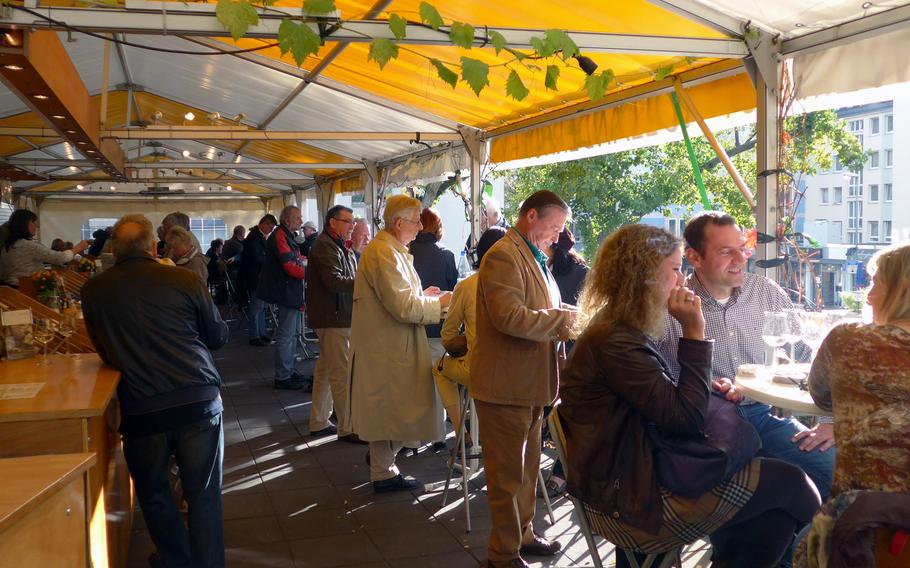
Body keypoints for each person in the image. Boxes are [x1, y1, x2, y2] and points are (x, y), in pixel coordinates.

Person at [560, 223, 820, 568]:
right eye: (674, 270)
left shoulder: (617, 331)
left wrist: (707, 386)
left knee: (774, 519)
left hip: (633, 471)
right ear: (644, 277)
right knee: (793, 484)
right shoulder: (616, 342)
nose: (681, 280)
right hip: (635, 497)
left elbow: (661, 402)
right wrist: (695, 333)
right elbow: (685, 420)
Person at [81, 214, 228, 568]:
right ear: (153, 246)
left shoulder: (94, 291)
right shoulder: (183, 279)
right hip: (198, 400)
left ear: (114, 249)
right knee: (203, 496)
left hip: (142, 408)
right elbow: (218, 337)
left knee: (155, 495)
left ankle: (176, 560)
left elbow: (103, 350)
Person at [657, 211, 835, 502]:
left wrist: (829, 420)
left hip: (760, 418)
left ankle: (800, 546)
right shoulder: (671, 302)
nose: (740, 260)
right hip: (704, 431)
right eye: (727, 252)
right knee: (751, 498)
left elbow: (811, 355)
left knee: (835, 470)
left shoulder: (764, 292)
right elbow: (654, 383)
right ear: (695, 257)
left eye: (742, 248)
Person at [470, 190, 577, 568]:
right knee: (506, 477)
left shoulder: (533, 256)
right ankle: (503, 554)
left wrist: (576, 313)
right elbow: (510, 317)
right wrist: (566, 321)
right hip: (505, 387)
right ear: (531, 216)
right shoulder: (503, 255)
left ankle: (524, 534)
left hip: (529, 386)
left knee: (528, 470)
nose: (557, 235)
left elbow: (541, 308)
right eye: (554, 227)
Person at [795, 241, 910, 567]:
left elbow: (821, 396)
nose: (867, 293)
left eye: (875, 282)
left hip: (862, 534)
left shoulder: (848, 339)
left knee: (801, 539)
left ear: (900, 289)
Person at [348, 195, 452, 492]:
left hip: (391, 344)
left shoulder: (390, 250)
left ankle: (384, 467)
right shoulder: (384, 253)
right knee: (390, 409)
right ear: (398, 223)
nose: (421, 227)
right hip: (388, 347)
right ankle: (383, 470)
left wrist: (427, 297)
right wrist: (441, 304)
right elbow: (403, 306)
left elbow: (401, 297)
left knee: (390, 410)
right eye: (416, 221)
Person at [433, 226, 506, 445]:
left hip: (479, 371)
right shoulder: (520, 284)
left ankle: (458, 430)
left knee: (438, 369)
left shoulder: (466, 287)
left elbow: (448, 335)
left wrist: (465, 341)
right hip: (515, 372)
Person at [305, 205, 361, 442]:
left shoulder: (334, 245)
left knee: (326, 371)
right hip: (334, 318)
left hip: (333, 316)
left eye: (353, 221)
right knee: (341, 374)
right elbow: (335, 281)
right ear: (332, 223)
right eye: (348, 221)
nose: (352, 226)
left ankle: (318, 421)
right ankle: (348, 428)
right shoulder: (325, 246)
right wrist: (366, 282)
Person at [543, 227, 589, 498]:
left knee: (553, 413)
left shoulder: (543, 273)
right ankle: (560, 470)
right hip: (572, 355)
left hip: (553, 355)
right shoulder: (583, 272)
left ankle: (558, 470)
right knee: (568, 414)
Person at [258, 206, 309, 390]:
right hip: (286, 291)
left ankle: (288, 370)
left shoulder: (284, 234)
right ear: (287, 221)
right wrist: (309, 271)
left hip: (289, 290)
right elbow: (289, 265)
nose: (301, 222)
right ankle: (283, 376)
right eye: (297, 218)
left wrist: (302, 262)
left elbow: (293, 259)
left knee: (291, 334)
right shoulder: (280, 236)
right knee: (286, 335)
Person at [409, 207, 458, 362]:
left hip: (410, 328)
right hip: (438, 327)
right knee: (438, 381)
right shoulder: (446, 254)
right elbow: (453, 290)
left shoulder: (405, 253)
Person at [0, 209, 90, 286]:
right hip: (27, 290)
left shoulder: (7, 246)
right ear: (23, 224)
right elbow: (61, 258)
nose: (36, 226)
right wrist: (79, 247)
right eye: (33, 222)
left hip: (10, 290)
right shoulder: (28, 246)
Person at [239, 214, 277, 346]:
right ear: (264, 224)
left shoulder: (256, 236)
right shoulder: (254, 238)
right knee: (256, 307)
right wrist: (268, 257)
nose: (271, 231)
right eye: (270, 228)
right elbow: (256, 257)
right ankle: (254, 336)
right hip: (256, 277)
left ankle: (261, 333)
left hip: (258, 276)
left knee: (261, 307)